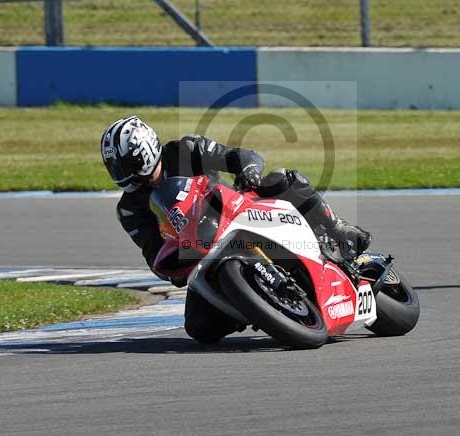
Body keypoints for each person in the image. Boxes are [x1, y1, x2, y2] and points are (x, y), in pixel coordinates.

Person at [100, 115, 370, 342]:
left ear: (143, 152)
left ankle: (336, 228)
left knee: (281, 179)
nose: (119, 172)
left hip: (237, 212)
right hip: (200, 253)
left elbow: (241, 156)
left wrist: (249, 170)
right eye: (113, 166)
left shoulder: (186, 150)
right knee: (199, 328)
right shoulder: (129, 210)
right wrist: (171, 265)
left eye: (122, 164)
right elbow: (153, 254)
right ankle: (255, 306)